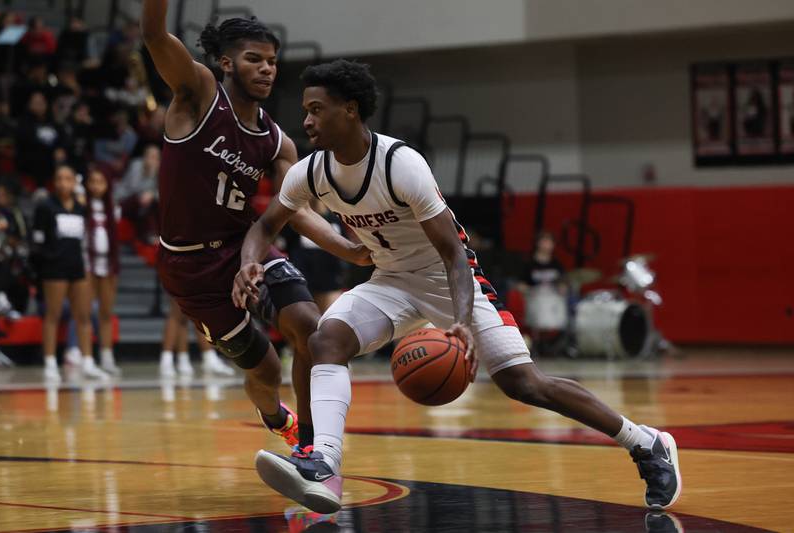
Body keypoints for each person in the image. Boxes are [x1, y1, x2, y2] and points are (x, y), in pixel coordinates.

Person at [238, 60, 682, 513]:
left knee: (523, 383)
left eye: (317, 109)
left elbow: (454, 255)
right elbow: (266, 224)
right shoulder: (309, 172)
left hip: (450, 279)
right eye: (306, 110)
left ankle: (646, 443)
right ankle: (324, 465)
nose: (307, 121)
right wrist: (249, 264)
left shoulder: (401, 164)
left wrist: (464, 324)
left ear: (350, 109)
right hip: (391, 280)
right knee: (326, 339)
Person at [140, 2, 369, 449]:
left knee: (311, 327)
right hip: (192, 266)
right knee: (265, 370)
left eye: (272, 62)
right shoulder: (200, 93)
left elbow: (294, 210)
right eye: (254, 60)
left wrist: (350, 249)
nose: (266, 69)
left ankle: (310, 444)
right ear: (226, 63)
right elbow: (153, 35)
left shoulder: (277, 140)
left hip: (247, 246)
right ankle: (274, 415)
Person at [32, 165, 108, 381]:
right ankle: (49, 362)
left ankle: (87, 362)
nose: (63, 183)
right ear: (54, 182)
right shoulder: (45, 207)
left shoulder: (80, 208)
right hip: (54, 270)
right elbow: (37, 241)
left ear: (75, 182)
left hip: (77, 268)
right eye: (59, 179)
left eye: (68, 179)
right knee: (53, 315)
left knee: (83, 316)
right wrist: (46, 264)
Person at [83, 168, 121, 375]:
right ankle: (86, 359)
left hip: (108, 265)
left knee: (106, 313)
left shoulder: (112, 208)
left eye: (101, 182)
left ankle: (107, 357)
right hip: (87, 265)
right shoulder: (82, 206)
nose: (96, 186)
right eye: (92, 181)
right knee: (85, 314)